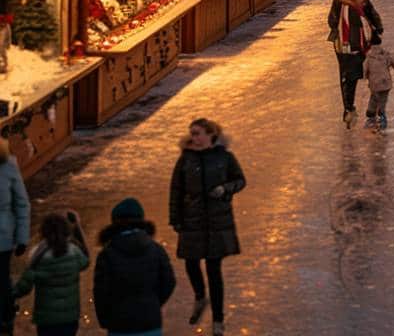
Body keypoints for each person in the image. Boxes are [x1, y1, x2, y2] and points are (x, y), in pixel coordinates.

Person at [169, 118, 246, 336]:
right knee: (190, 262)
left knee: (214, 269)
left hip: (216, 221)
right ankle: (200, 296)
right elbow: (176, 190)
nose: (195, 138)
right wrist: (175, 218)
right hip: (192, 219)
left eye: (198, 133)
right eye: (192, 134)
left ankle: (218, 320)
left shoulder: (224, 157)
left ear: (211, 135)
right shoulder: (185, 159)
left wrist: (225, 189)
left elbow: (240, 180)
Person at [93, 198, 175, 336]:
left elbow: (101, 292)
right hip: (150, 323)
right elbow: (169, 282)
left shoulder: (106, 254)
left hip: (119, 325)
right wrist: (153, 303)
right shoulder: (156, 250)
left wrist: (105, 320)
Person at [12, 210, 88, 336]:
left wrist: (12, 292)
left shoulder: (38, 254)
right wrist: (77, 227)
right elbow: (86, 260)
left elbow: (24, 286)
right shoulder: (74, 251)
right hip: (70, 318)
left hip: (46, 321)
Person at [327, 0, 384, 127]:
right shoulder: (340, 2)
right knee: (349, 78)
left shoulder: (363, 1)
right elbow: (332, 21)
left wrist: (378, 29)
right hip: (345, 49)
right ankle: (348, 109)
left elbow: (372, 13)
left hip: (362, 46)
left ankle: (375, 110)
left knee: (373, 76)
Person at [0, 137, 28, 336]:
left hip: (3, 238)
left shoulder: (8, 165)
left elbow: (22, 203)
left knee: (1, 279)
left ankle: (6, 318)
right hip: (4, 234)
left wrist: (22, 238)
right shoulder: (8, 165)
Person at [363, 32, 394, 132]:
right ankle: (380, 116)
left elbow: (364, 69)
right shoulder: (386, 54)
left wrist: (365, 78)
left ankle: (371, 116)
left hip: (374, 84)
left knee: (374, 99)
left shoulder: (368, 57)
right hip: (386, 83)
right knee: (382, 100)